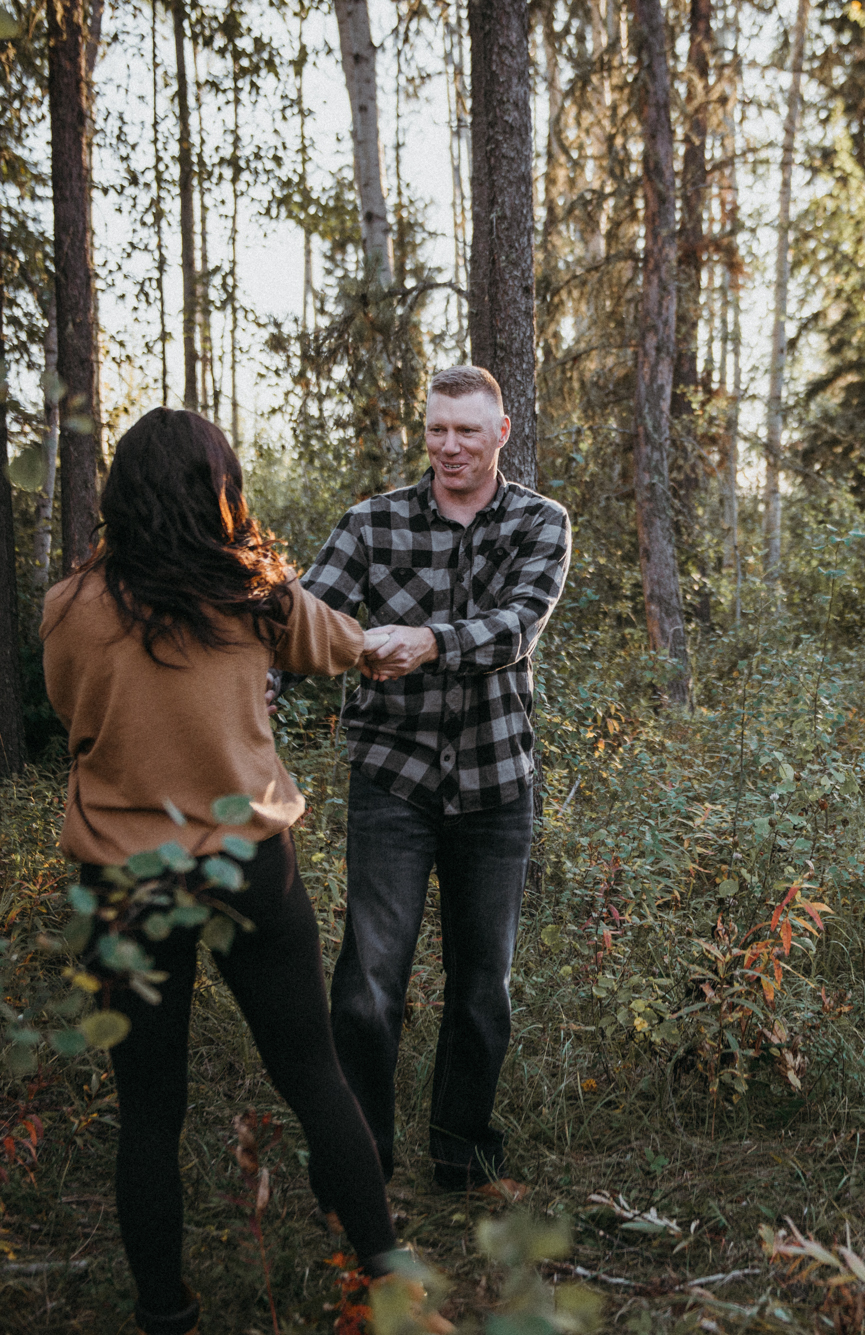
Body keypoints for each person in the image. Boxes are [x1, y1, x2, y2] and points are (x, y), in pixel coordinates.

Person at [41, 408, 450, 1335]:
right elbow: (349, 644)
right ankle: (396, 1293)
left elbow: (72, 712)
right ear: (219, 491)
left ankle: (165, 1315)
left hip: (124, 882)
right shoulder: (258, 596)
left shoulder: (70, 606)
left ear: (121, 492)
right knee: (315, 1077)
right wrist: (378, 647)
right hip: (247, 867)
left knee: (150, 1111)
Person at [289, 365, 571, 1194]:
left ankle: (461, 1154)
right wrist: (260, 677)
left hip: (496, 784)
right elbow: (306, 620)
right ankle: (360, 1163)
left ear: (501, 433)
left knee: (483, 989)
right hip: (393, 780)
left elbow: (518, 625)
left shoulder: (539, 522)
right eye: (437, 429)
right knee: (367, 986)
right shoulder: (370, 523)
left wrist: (432, 641)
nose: (449, 446)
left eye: (466, 431)